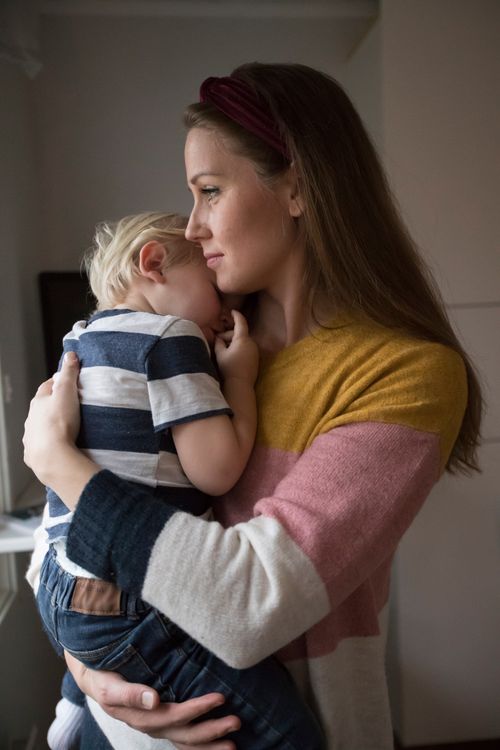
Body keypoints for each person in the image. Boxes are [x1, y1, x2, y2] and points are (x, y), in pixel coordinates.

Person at [23, 62, 482, 750]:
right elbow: (52, 553)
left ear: (297, 187)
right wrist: (90, 665)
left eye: (210, 191)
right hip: (116, 721)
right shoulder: (192, 344)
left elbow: (246, 603)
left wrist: (57, 462)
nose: (194, 225)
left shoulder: (404, 374)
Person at [33, 211, 324, 750]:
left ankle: (74, 713)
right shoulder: (170, 338)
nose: (227, 311)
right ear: (155, 263)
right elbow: (216, 471)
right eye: (217, 289)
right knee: (289, 734)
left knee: (107, 651)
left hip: (58, 584)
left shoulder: (81, 338)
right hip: (127, 598)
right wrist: (238, 377)